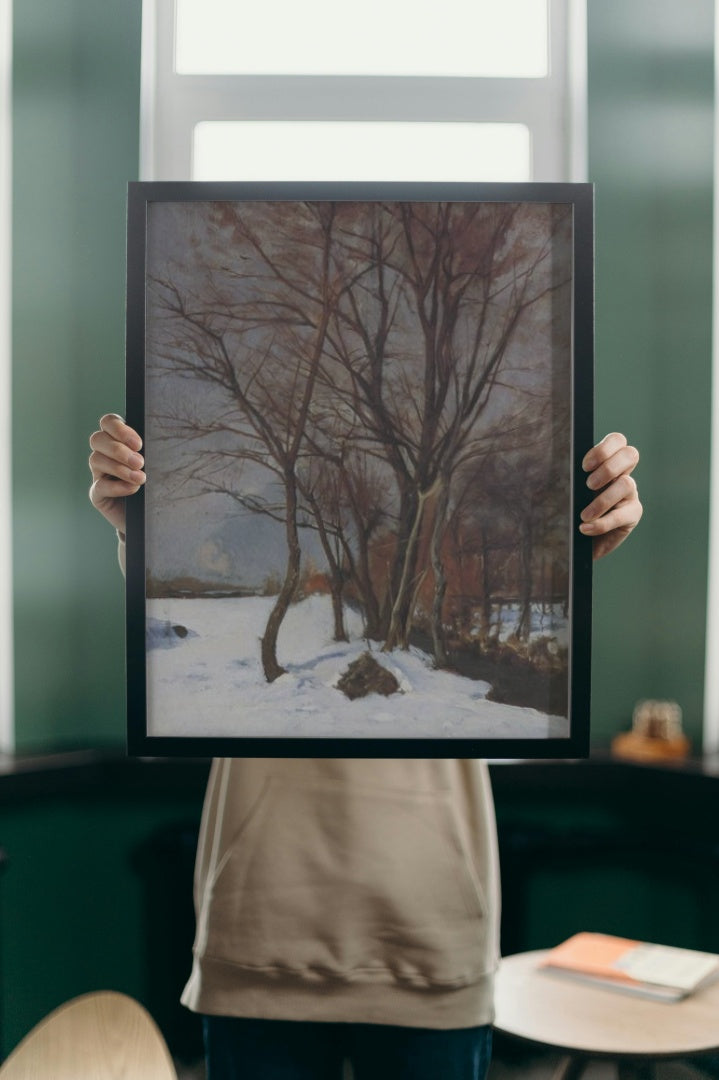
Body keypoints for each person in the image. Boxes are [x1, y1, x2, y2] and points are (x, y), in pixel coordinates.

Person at [89, 416, 642, 1080]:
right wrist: (141, 520)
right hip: (262, 926)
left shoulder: (447, 491)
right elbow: (165, 617)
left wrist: (569, 557)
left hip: (432, 929)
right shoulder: (248, 478)